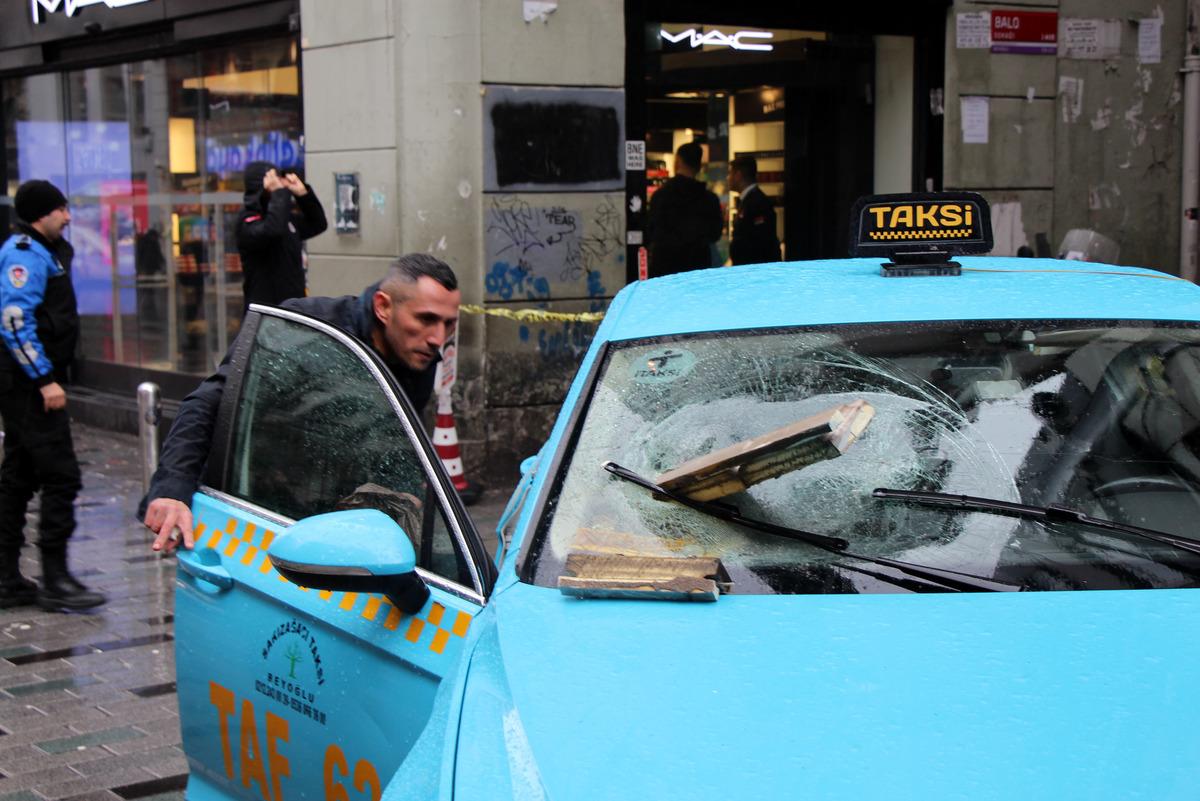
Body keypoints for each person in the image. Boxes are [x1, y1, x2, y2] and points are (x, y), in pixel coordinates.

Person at [141, 253, 460, 552]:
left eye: (449, 323)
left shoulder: (418, 354)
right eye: (426, 319)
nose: (437, 337)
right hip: (263, 517)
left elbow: (394, 442)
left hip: (346, 523)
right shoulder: (305, 329)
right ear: (383, 307)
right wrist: (173, 490)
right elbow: (208, 403)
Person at [0, 180, 104, 610]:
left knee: (19, 477)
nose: (67, 215)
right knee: (62, 475)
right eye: (61, 209)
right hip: (29, 387)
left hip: (27, 384)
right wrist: (44, 379)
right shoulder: (23, 255)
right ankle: (55, 577)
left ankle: (7, 579)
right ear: (42, 214)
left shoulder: (44, 252)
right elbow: (13, 322)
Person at [237, 161, 328, 312]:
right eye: (274, 180)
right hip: (266, 315)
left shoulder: (285, 219)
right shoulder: (247, 221)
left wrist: (303, 195)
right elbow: (272, 231)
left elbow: (318, 224)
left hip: (293, 310)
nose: (279, 184)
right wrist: (279, 193)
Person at [645, 142, 723, 277]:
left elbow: (652, 231)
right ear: (699, 166)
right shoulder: (709, 200)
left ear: (678, 162)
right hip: (698, 270)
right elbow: (715, 234)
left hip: (666, 270)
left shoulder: (661, 197)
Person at [728, 156, 781, 266]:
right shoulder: (749, 200)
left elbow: (761, 242)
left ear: (738, 175)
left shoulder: (757, 202)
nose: (728, 178)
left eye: (730, 173)